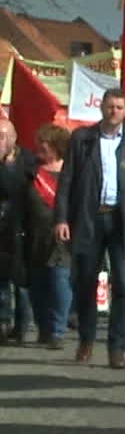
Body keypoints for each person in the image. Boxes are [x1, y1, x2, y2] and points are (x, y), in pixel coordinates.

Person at [54, 89, 125, 369]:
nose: (114, 111)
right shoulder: (83, 139)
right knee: (86, 282)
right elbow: (66, 181)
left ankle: (117, 347)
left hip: (124, 220)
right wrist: (62, 218)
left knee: (124, 284)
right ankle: (86, 340)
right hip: (90, 218)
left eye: (120, 107)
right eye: (110, 106)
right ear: (101, 108)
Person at [23, 123, 72, 349]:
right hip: (34, 234)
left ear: (57, 146)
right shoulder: (31, 170)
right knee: (38, 284)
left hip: (62, 235)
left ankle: (57, 330)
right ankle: (43, 327)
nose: (40, 146)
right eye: (40, 142)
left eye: (46, 143)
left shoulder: (71, 171)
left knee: (59, 280)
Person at [0, 119, 35, 345]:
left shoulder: (28, 160)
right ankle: (3, 322)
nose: (1, 141)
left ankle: (23, 325)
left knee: (22, 279)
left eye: (4, 136)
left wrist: (8, 166)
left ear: (14, 137)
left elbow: (19, 188)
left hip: (22, 226)